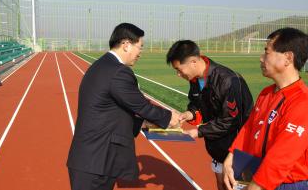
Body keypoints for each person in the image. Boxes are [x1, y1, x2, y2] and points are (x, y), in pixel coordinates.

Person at [67, 23, 180, 190]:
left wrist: (142, 124)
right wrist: (170, 117)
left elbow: (111, 111)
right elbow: (140, 105)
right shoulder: (118, 71)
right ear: (126, 44)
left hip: (92, 160)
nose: (140, 53)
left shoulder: (103, 65)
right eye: (139, 47)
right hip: (96, 162)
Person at [223, 28, 308, 190]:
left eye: (266, 52)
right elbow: (249, 128)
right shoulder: (266, 93)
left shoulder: (302, 101)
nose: (261, 59)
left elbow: (282, 156)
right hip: (257, 176)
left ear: (288, 58)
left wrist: (256, 186)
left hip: (288, 185)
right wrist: (231, 155)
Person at [166, 40, 253, 190]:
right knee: (220, 184)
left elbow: (230, 121)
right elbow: (197, 104)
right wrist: (188, 114)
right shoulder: (195, 80)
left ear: (193, 61)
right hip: (217, 148)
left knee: (232, 186)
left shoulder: (228, 80)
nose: (178, 75)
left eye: (179, 69)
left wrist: (198, 131)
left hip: (236, 152)